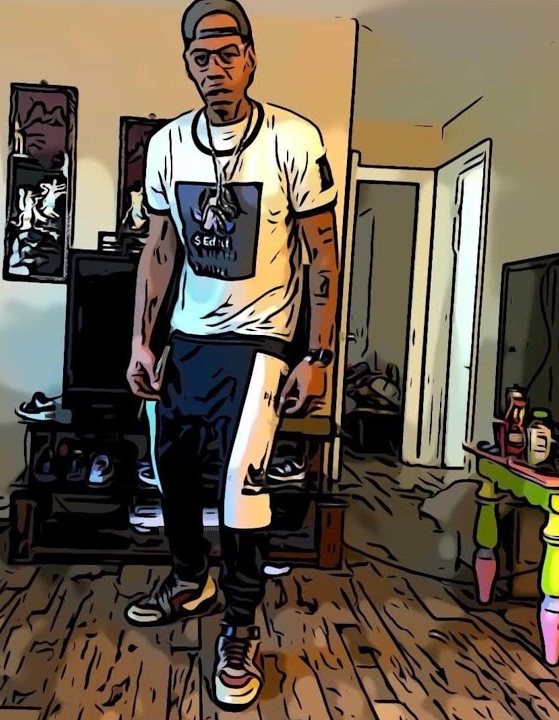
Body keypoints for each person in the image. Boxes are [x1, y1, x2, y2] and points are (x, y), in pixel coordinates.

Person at [125, 0, 341, 710]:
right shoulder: (167, 146)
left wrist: (319, 355)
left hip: (261, 343)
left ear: (250, 57)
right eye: (202, 57)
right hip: (188, 339)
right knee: (171, 474)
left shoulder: (294, 140)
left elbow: (322, 253)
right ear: (188, 65)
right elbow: (160, 247)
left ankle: (240, 631)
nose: (215, 68)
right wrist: (142, 341)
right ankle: (192, 581)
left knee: (241, 488)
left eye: (228, 53)